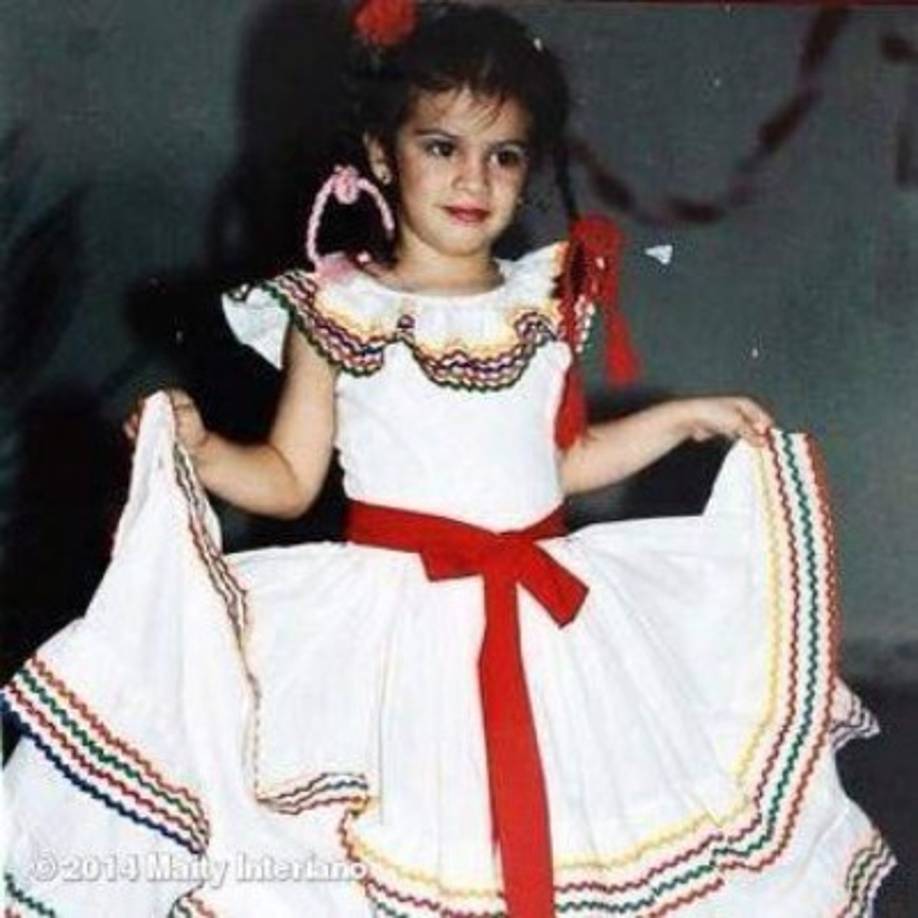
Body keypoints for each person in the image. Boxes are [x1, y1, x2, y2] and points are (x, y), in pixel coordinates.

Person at [2, 3, 895, 916]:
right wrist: (202, 450)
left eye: (503, 156)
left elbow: (562, 462)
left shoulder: (542, 303)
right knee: (411, 841)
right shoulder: (338, 311)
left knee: (572, 837)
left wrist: (677, 419)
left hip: (551, 629)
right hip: (396, 638)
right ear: (382, 156)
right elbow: (289, 480)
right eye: (442, 148)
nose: (474, 178)